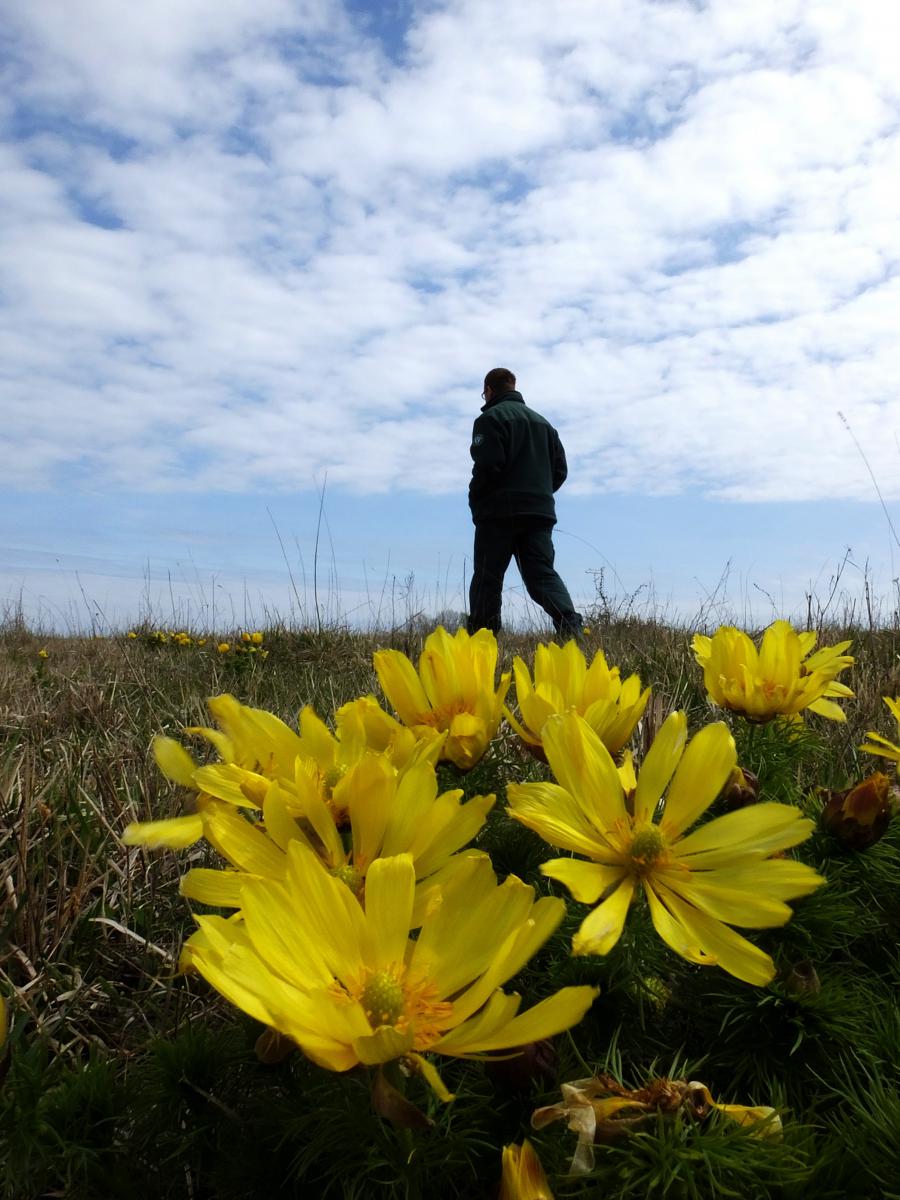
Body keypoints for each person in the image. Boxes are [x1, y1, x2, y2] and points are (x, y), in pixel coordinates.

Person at [467, 367, 584, 640]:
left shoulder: (490, 419)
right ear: (513, 387)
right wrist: (538, 493)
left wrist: (476, 500)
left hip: (497, 514)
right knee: (541, 574)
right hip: (539, 513)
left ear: (489, 390)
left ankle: (482, 641)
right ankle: (571, 627)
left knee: (488, 578)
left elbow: (487, 466)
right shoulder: (544, 424)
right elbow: (560, 470)